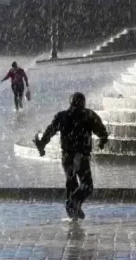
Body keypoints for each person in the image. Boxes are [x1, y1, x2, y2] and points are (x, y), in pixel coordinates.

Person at [33, 92, 108, 220]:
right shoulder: (88, 115)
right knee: (87, 185)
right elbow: (101, 130)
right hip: (80, 156)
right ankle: (73, 202)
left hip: (66, 157)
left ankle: (73, 210)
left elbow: (50, 130)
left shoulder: (62, 116)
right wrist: (102, 140)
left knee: (71, 183)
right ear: (83, 103)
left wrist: (42, 144)